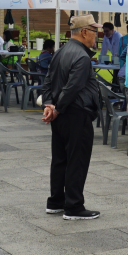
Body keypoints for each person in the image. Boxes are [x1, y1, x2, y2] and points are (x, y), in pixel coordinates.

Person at [41, 14, 102, 220]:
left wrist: (50, 104)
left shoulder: (61, 51)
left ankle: (56, 201)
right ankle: (74, 206)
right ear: (84, 32)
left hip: (61, 113)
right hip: (76, 113)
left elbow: (48, 80)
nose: (97, 36)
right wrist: (56, 107)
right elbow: (72, 87)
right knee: (77, 159)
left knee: (60, 158)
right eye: (95, 32)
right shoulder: (82, 57)